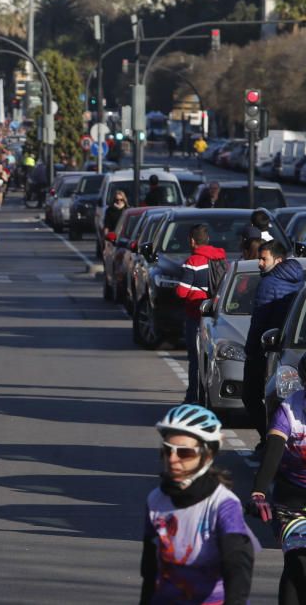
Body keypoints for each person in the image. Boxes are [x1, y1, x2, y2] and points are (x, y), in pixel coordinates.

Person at [140, 404, 255, 605]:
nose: (173, 460)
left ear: (207, 455)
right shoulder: (155, 500)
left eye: (185, 453)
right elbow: (150, 573)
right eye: (168, 451)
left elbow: (238, 571)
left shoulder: (223, 505)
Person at [248, 353, 306, 605]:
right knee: (299, 561)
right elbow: (272, 454)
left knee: (297, 573)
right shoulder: (289, 411)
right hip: (292, 501)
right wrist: (258, 492)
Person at [244, 240, 305, 451]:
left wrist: (251, 350)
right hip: (285, 345)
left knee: (252, 396)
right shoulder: (300, 279)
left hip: (270, 349)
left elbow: (259, 321)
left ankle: (270, 441)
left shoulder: (268, 283)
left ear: (278, 260)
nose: (259, 263)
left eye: (264, 259)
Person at [175, 224, 227, 404]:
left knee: (195, 360)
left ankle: (192, 397)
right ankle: (208, 396)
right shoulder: (220, 258)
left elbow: (182, 292)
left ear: (192, 240)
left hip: (195, 315)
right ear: (208, 239)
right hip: (215, 315)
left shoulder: (193, 261)